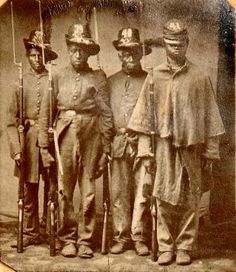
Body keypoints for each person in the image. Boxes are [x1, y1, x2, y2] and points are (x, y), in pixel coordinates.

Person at [128, 19, 225, 265]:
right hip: (163, 146)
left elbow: (211, 119)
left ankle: (184, 247)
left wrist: (211, 152)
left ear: (187, 44)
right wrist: (145, 151)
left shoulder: (200, 77)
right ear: (164, 45)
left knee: (190, 197)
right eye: (171, 44)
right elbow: (143, 118)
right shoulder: (154, 77)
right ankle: (165, 246)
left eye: (180, 44)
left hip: (192, 147)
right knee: (162, 196)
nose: (176, 49)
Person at [38, 23, 113, 258]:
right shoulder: (57, 75)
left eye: (82, 49)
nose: (77, 54)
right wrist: (43, 147)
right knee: (64, 191)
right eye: (73, 49)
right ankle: (68, 238)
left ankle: (85, 240)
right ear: (68, 48)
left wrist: (106, 148)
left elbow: (106, 115)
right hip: (64, 138)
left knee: (89, 191)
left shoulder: (98, 77)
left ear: (89, 51)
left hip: (92, 138)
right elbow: (46, 113)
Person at [7, 30, 58, 247]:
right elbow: (11, 119)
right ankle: (29, 231)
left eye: (41, 56)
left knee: (52, 186)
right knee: (29, 188)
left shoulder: (52, 80)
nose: (37, 60)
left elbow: (60, 109)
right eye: (33, 55)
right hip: (27, 141)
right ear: (28, 55)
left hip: (49, 140)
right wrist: (16, 149)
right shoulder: (20, 82)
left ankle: (51, 230)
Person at [108, 28, 152, 256]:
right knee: (119, 192)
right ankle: (120, 236)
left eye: (134, 52)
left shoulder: (149, 81)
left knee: (142, 191)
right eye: (125, 53)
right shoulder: (111, 82)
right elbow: (104, 116)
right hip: (118, 143)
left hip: (142, 144)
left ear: (141, 54)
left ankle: (140, 236)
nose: (130, 57)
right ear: (119, 55)